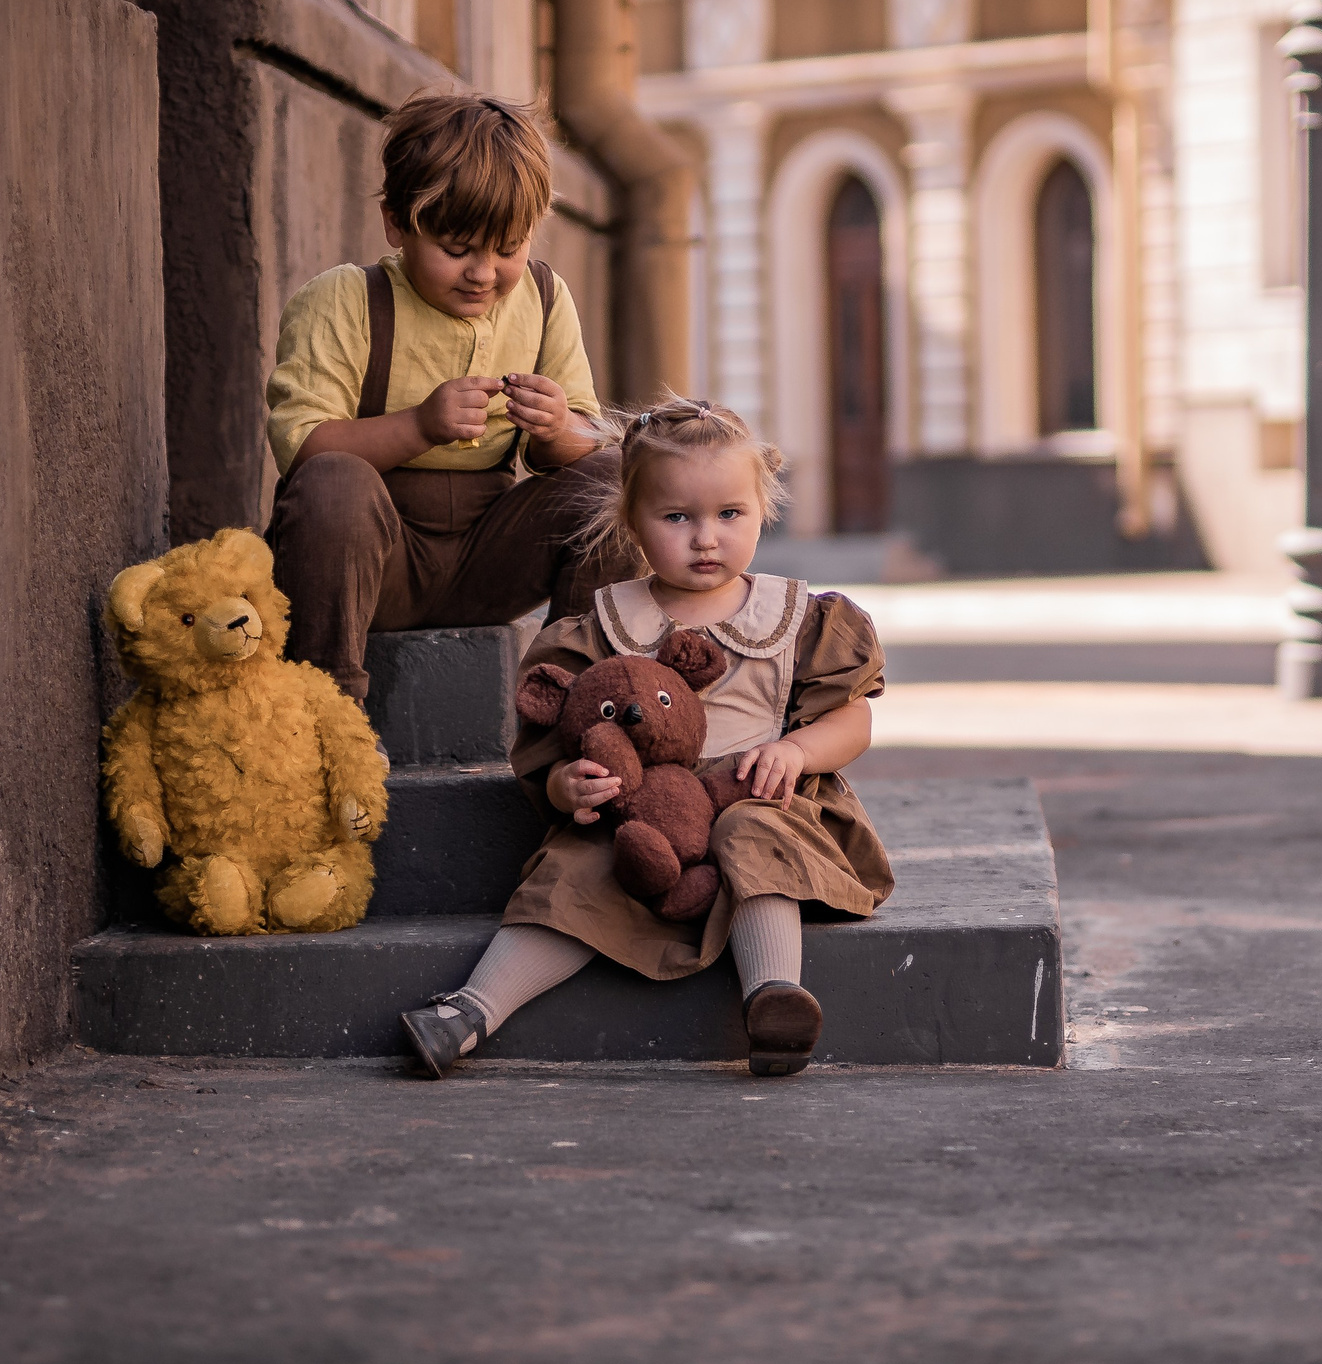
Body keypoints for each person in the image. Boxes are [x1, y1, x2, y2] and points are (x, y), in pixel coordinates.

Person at [398, 397, 895, 1078]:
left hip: (756, 794)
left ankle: (772, 998)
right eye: (676, 518)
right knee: (575, 867)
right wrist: (566, 784)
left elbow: (854, 717)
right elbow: (552, 741)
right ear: (631, 520)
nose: (705, 538)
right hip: (640, 819)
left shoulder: (796, 618)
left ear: (763, 508)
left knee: (754, 834)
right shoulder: (602, 625)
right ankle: (470, 1012)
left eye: (729, 514)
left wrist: (797, 750)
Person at [263, 91, 633, 702]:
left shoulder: (542, 298)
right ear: (396, 223)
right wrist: (418, 426)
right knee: (333, 483)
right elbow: (304, 447)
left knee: (615, 484)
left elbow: (584, 443)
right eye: (457, 250)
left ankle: (577, 696)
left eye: (508, 249)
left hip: (487, 555)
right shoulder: (346, 301)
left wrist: (556, 427)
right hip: (374, 564)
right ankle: (330, 711)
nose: (483, 273)